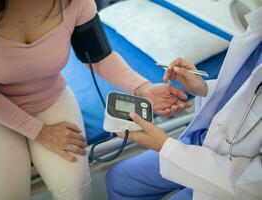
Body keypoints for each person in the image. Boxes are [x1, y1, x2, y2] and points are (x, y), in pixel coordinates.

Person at [0, 0, 191, 199]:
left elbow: (100, 57)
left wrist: (144, 87)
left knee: (76, 192)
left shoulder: (76, 3)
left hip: (48, 98)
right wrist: (40, 132)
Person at [106, 7, 262, 200]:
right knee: (119, 179)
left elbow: (253, 185)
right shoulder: (257, 30)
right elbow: (243, 91)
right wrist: (203, 89)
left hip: (230, 180)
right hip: (205, 141)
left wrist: (165, 146)